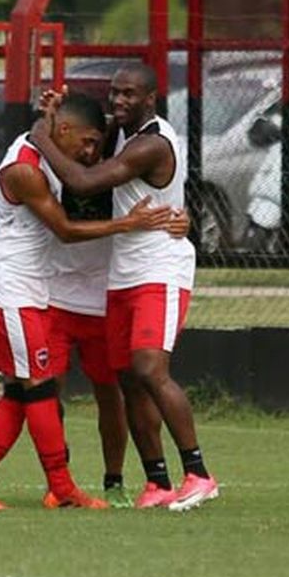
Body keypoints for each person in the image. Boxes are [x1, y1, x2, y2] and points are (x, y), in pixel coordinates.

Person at [0, 93, 182, 511]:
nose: (91, 152)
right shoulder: (26, 167)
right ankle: (62, 486)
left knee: (21, 394)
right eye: (87, 142)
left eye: (97, 143)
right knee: (38, 390)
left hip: (26, 292)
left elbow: (89, 139)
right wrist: (128, 224)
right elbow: (65, 230)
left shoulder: (51, 147)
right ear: (63, 132)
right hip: (10, 293)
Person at [29, 64, 217, 512]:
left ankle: (199, 473)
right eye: (114, 93)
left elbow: (84, 179)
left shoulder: (152, 142)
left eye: (129, 94)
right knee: (129, 380)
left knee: (151, 369)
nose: (118, 101)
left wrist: (39, 135)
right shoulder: (122, 134)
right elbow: (82, 145)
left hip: (161, 269)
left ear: (151, 98)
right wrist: (54, 116)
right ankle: (157, 483)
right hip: (123, 273)